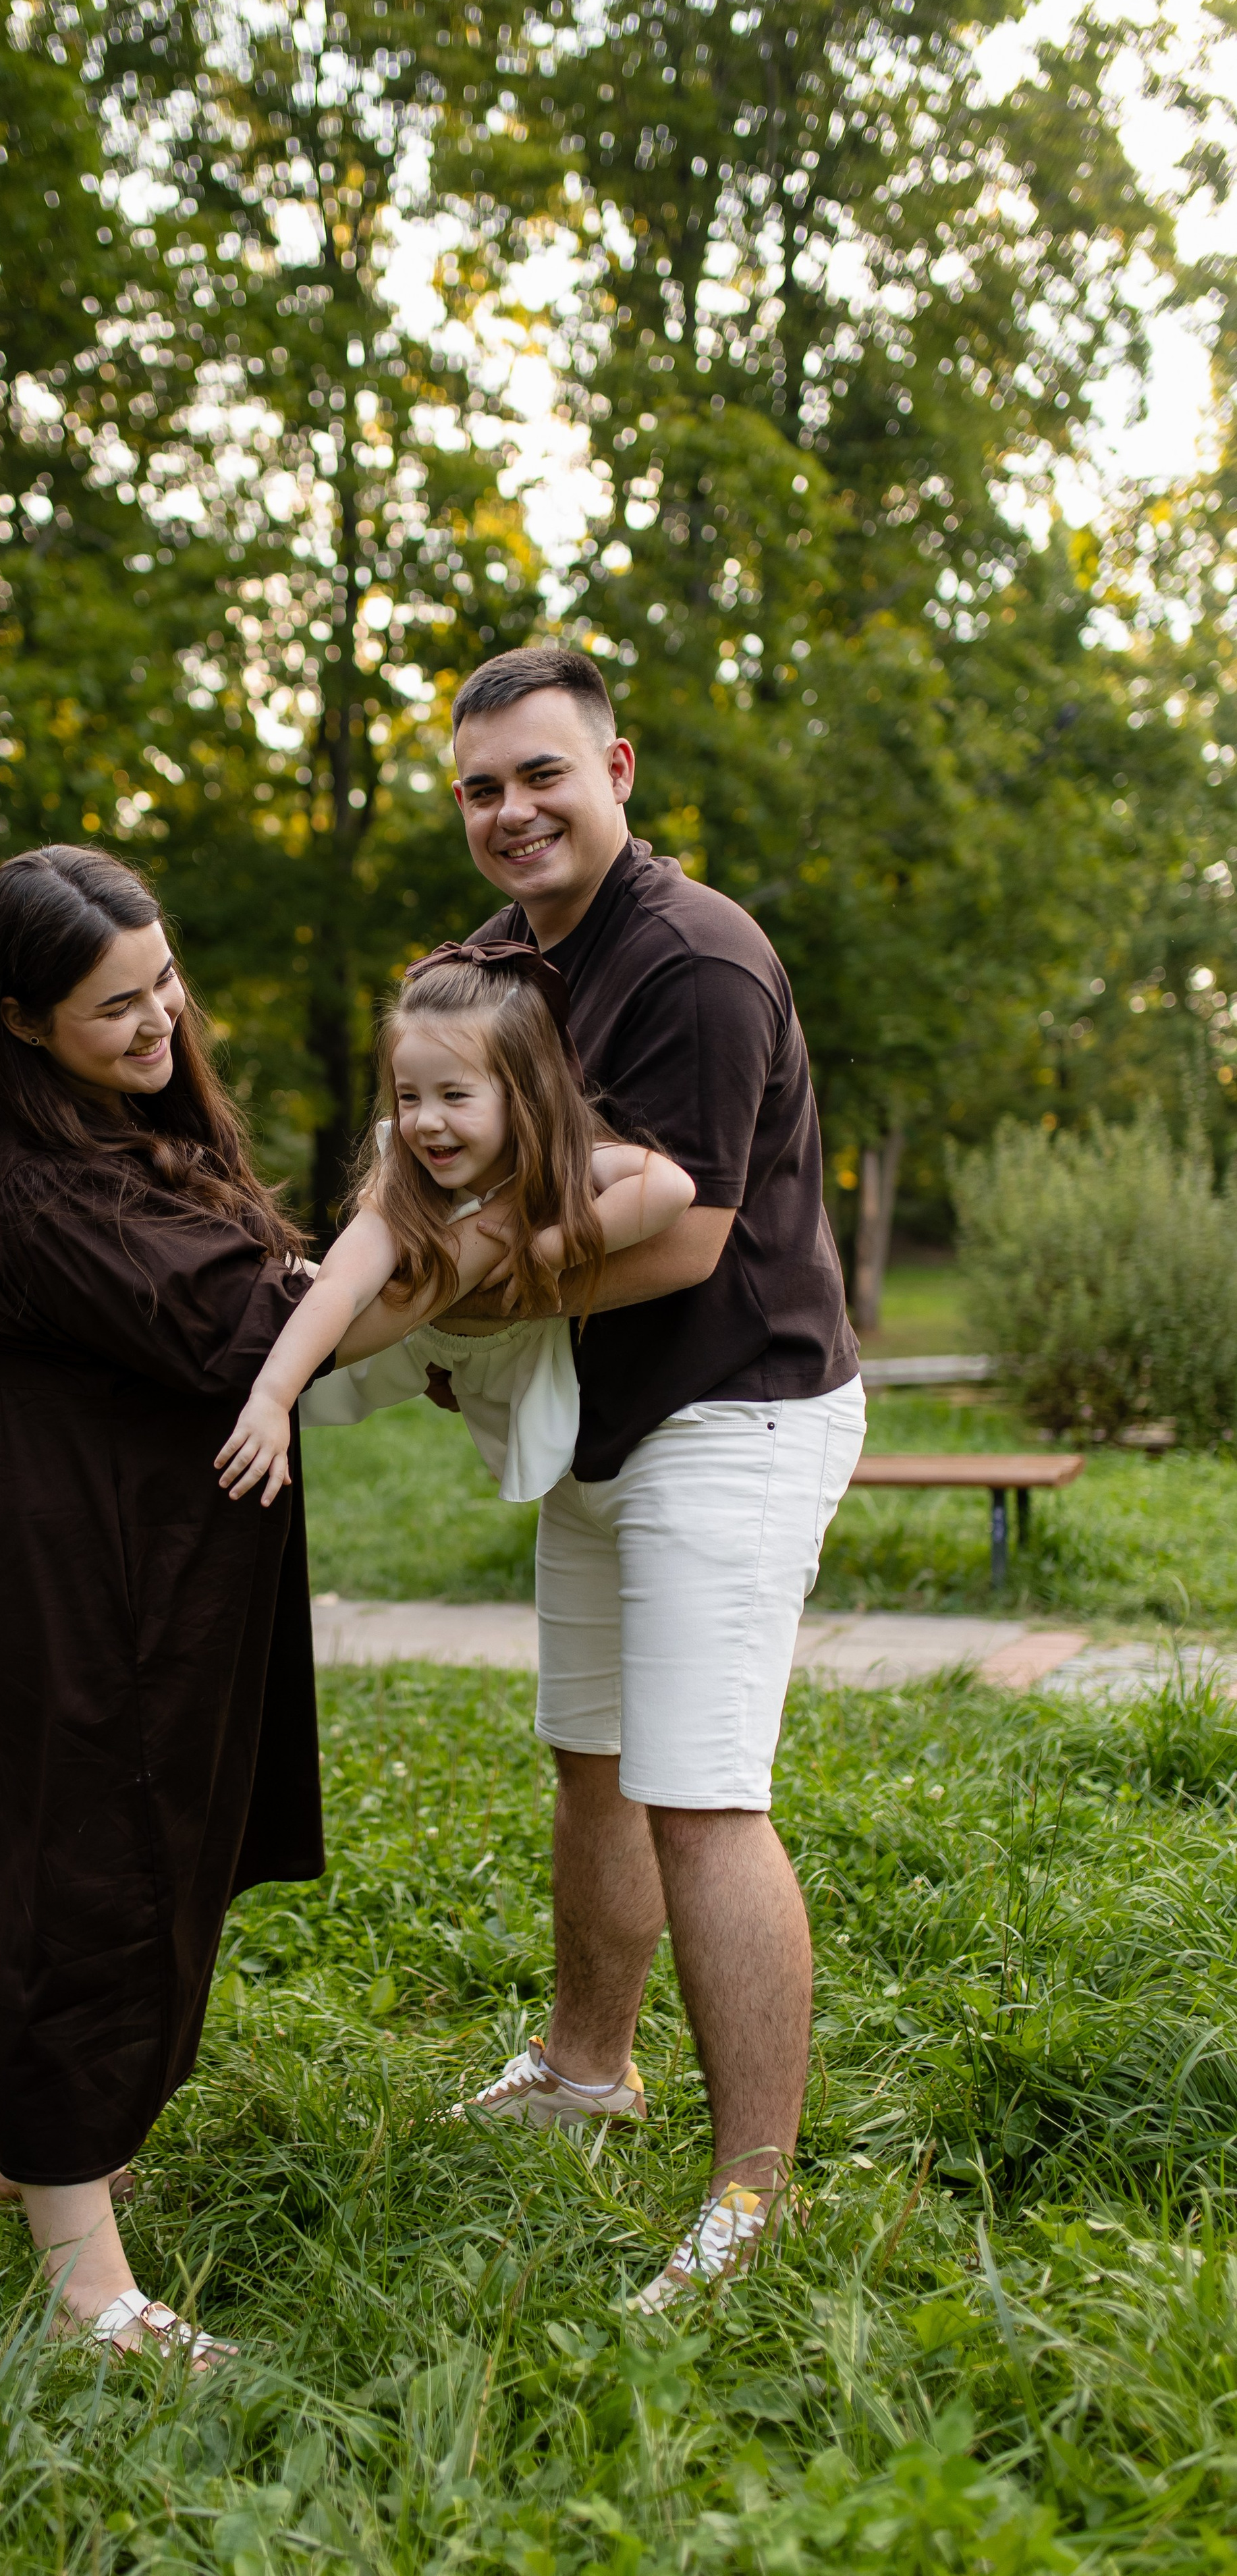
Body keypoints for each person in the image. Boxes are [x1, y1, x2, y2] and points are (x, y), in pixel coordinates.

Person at [0, 845, 397, 2361]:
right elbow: (261, 1323)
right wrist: (467, 1244)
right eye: (117, 1005)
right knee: (79, 1877)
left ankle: (11, 2154)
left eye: (163, 978)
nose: (160, 1019)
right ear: (23, 1022)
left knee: (108, 1844)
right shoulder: (48, 1193)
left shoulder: (104, 1132)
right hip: (58, 1569)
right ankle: (83, 2291)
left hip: (119, 1553)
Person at [443, 648, 866, 2311]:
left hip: (736, 1412)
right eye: (480, 785)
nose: (509, 810)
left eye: (539, 773)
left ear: (615, 766)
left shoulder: (696, 959)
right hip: (595, 1421)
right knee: (591, 1759)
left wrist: (460, 1300)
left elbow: (681, 1241)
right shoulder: (482, 969)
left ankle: (750, 2197)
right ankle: (582, 2067)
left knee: (698, 1791)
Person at [215, 943, 694, 1508]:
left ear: (526, 1097)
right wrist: (273, 1399)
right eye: (409, 1096)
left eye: (455, 1095)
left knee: (544, 1450)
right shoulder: (407, 1178)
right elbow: (342, 1286)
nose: (426, 1121)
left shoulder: (569, 1161)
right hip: (398, 1343)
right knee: (271, 1314)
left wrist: (548, 1249)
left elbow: (671, 1189)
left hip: (515, 1362)